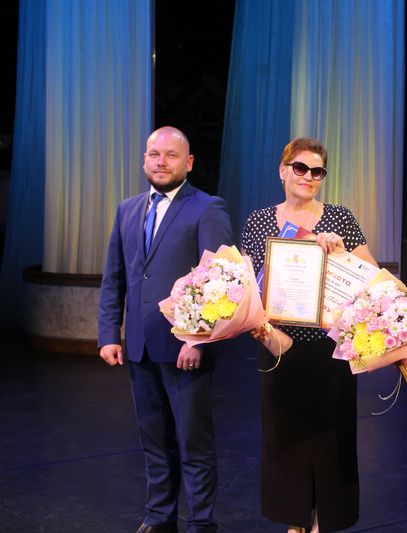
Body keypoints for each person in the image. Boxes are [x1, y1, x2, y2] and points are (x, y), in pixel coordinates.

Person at [98, 126, 234, 532]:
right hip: (140, 347)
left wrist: (198, 339)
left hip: (185, 350)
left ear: (188, 163)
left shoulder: (207, 208)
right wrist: (109, 334)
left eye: (171, 155)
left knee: (193, 443)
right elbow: (115, 277)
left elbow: (221, 279)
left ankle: (201, 523)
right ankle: (160, 517)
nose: (161, 162)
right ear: (144, 159)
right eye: (154, 154)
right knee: (154, 442)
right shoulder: (127, 209)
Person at [241, 137, 378, 533]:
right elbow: (247, 282)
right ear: (283, 171)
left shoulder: (339, 218)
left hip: (331, 350)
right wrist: (255, 323)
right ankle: (295, 520)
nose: (308, 176)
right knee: (284, 436)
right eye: (300, 168)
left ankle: (323, 521)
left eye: (317, 171)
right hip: (277, 345)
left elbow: (371, 278)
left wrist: (342, 254)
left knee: (332, 438)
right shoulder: (259, 221)